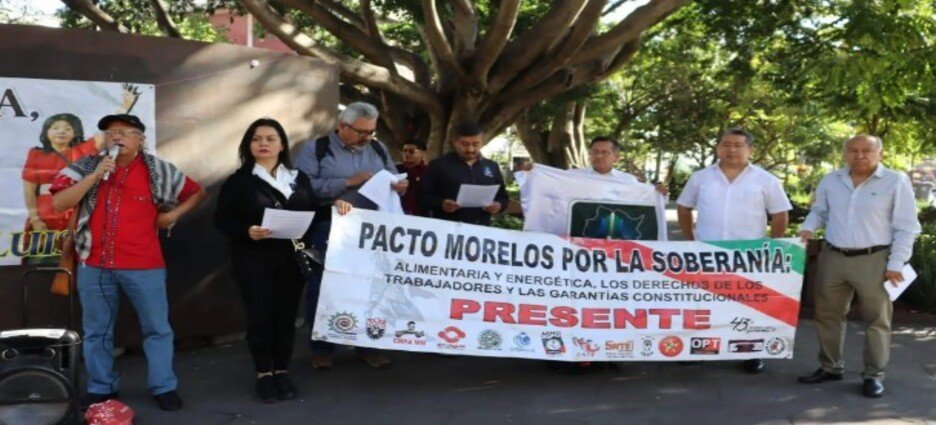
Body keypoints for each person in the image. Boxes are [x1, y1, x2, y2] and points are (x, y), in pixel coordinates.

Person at [50, 114, 206, 411]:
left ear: (140, 140)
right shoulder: (84, 167)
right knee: (97, 330)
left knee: (157, 328)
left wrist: (171, 216)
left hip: (144, 264)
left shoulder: (159, 170)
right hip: (93, 263)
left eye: (125, 133)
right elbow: (59, 203)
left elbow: (197, 192)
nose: (117, 138)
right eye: (110, 134)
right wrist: (95, 176)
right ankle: (101, 387)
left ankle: (163, 386)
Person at [215, 118, 352, 402]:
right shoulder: (238, 181)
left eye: (270, 138)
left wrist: (336, 206)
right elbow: (222, 220)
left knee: (287, 317)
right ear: (248, 145)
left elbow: (313, 212)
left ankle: (282, 371)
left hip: (290, 260)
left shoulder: (297, 178)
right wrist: (246, 231)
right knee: (260, 317)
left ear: (282, 144)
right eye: (257, 138)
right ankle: (264, 374)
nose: (263, 143)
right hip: (254, 260)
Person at [797, 134, 921, 398]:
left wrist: (897, 262)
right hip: (833, 257)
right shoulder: (832, 180)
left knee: (877, 319)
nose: (860, 155)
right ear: (845, 154)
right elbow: (819, 211)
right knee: (827, 315)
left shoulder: (895, 181)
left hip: (875, 260)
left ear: (880, 154)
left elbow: (907, 225)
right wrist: (807, 228)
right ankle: (830, 367)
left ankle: (873, 375)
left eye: (867, 150)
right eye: (853, 150)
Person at [295, 102, 405, 370]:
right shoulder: (316, 149)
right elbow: (302, 186)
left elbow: (392, 177)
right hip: (329, 226)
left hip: (372, 229)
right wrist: (347, 183)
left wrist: (398, 186)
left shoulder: (377, 148)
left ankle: (368, 345)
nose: (367, 138)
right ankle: (322, 348)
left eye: (371, 132)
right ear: (342, 126)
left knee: (372, 285)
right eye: (361, 132)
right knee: (324, 286)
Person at [676, 127, 792, 374]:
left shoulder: (766, 180)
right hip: (707, 253)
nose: (731, 149)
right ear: (718, 148)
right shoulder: (701, 177)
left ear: (750, 149)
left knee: (748, 306)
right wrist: (690, 240)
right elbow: (684, 207)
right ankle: (702, 348)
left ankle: (752, 352)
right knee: (705, 304)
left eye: (738, 145)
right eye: (726, 144)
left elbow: (780, 214)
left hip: (749, 255)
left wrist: (772, 246)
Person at [420, 122, 509, 225]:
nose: (470, 149)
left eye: (475, 144)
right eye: (465, 144)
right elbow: (422, 197)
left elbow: (503, 197)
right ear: (455, 142)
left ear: (482, 142)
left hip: (481, 230)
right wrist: (441, 204)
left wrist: (499, 205)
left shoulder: (492, 166)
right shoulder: (438, 165)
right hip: (447, 228)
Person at [396, 140, 428, 216]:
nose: (406, 154)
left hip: (421, 216)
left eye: (411, 151)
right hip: (397, 213)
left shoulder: (429, 172)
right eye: (404, 151)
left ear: (423, 153)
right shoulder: (395, 170)